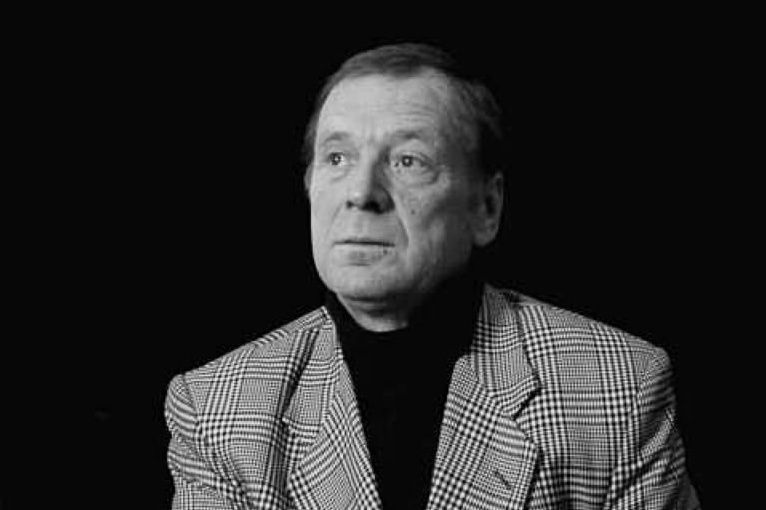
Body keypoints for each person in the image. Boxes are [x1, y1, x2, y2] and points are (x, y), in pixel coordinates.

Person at [164, 43, 700, 509]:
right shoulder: (216, 408)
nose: (361, 192)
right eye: (337, 158)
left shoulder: (617, 386)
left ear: (486, 208)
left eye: (408, 160)